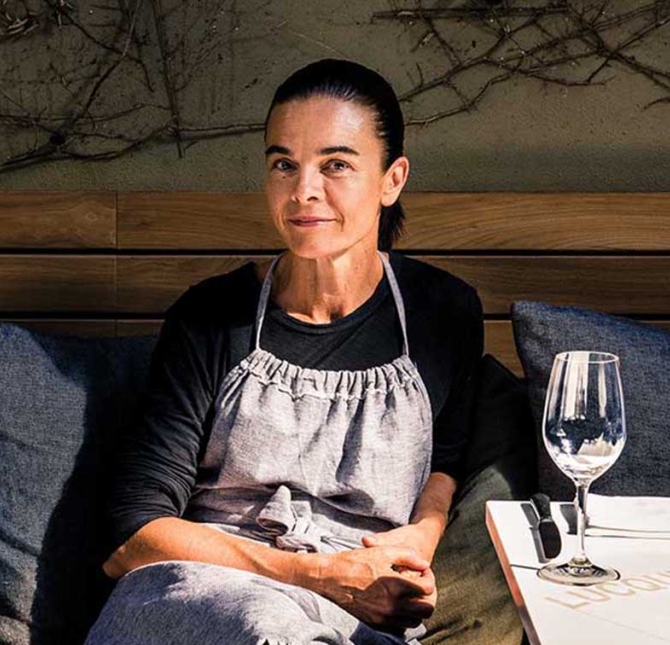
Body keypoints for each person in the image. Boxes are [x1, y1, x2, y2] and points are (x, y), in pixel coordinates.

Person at [86, 59, 483, 645]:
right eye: (283, 165)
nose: (303, 192)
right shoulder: (210, 318)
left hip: (358, 610)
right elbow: (134, 535)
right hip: (198, 595)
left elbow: (445, 459)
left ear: (392, 179)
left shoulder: (442, 313)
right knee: (266, 626)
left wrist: (421, 536)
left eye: (336, 165)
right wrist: (319, 574)